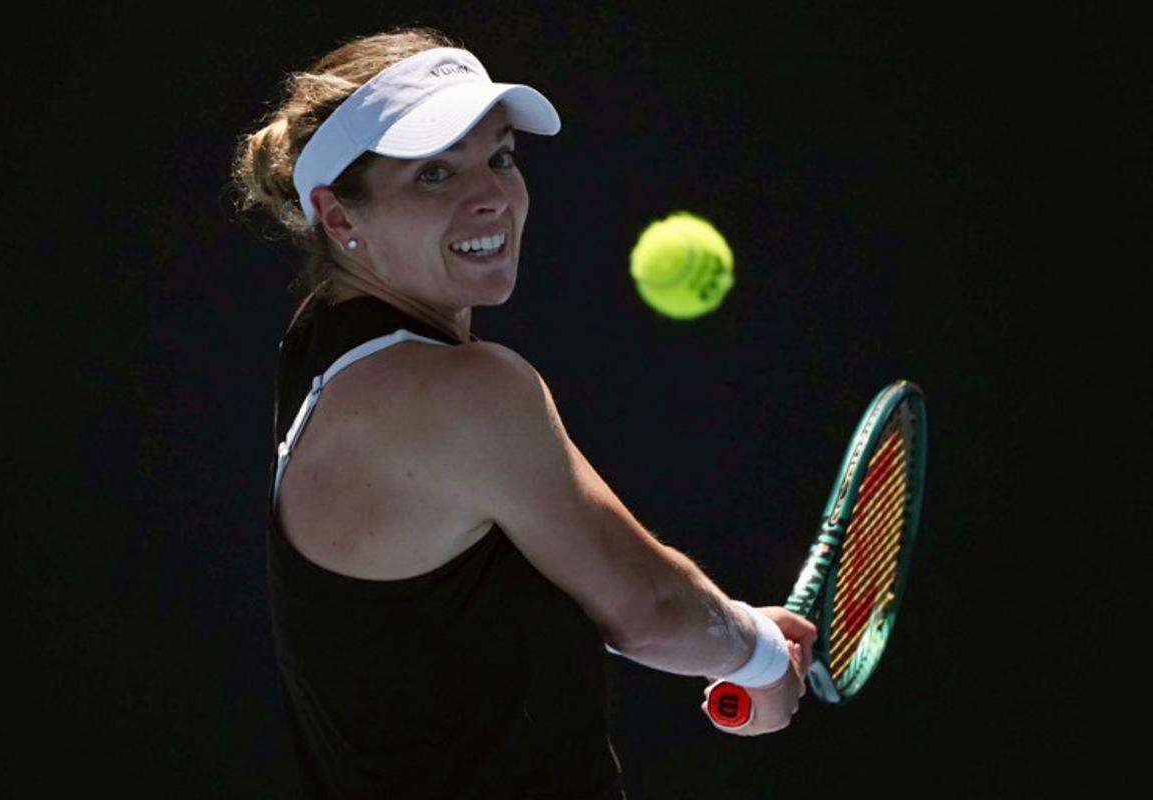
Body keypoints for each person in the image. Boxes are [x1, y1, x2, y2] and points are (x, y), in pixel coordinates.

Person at [231, 26, 816, 799]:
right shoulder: (460, 389)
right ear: (340, 220)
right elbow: (646, 605)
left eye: (501, 157)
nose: (492, 196)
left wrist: (730, 627)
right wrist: (760, 661)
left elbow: (485, 604)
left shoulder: (321, 355)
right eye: (435, 173)